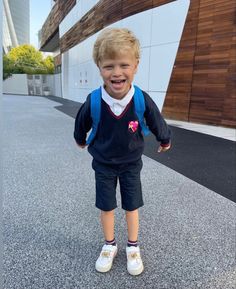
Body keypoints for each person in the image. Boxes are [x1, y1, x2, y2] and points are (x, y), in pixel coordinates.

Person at [74, 28, 171, 276]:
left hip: (131, 163)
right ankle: (109, 245)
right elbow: (81, 120)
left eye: (124, 65)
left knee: (131, 205)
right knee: (106, 206)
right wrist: (79, 138)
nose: (117, 72)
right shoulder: (95, 100)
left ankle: (132, 246)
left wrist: (165, 138)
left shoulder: (140, 99)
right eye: (109, 66)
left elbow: (156, 119)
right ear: (99, 67)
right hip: (103, 163)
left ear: (136, 66)